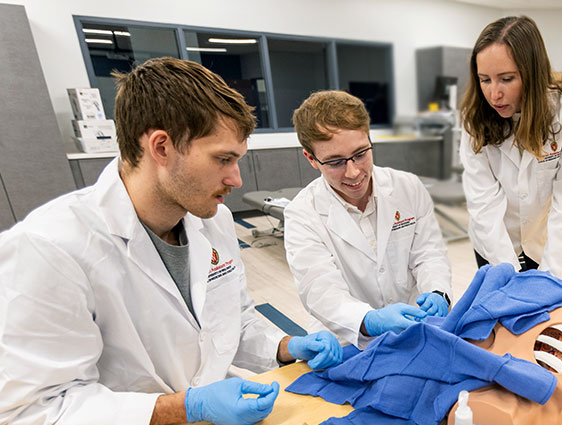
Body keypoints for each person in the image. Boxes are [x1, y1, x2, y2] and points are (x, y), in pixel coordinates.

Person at [0, 57, 343, 425]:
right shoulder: (48, 247)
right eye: (223, 159)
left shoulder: (213, 221)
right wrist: (184, 408)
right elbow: (36, 409)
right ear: (161, 147)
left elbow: (232, 322)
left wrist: (285, 346)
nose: (236, 179)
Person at [284, 90, 452, 349]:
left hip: (414, 326)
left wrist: (438, 291)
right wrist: (368, 320)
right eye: (335, 162)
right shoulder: (302, 214)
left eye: (360, 154)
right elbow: (320, 289)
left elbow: (428, 253)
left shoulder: (407, 187)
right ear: (311, 159)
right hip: (347, 338)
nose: (353, 172)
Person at [460, 15, 562, 278]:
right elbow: (483, 204)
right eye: (485, 79)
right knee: (504, 312)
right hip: (493, 241)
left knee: (551, 311)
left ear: (532, 73)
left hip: (548, 244)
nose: (494, 94)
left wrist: (550, 275)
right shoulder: (473, 118)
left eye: (506, 79)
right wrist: (509, 273)